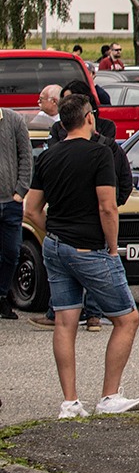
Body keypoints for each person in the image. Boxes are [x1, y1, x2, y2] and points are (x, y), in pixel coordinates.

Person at [24, 95, 139, 419]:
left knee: (65, 321)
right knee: (127, 319)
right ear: (89, 117)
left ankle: (70, 402)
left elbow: (30, 209)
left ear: (62, 123)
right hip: (89, 248)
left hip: (54, 246)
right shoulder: (100, 153)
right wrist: (111, 246)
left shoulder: (48, 157)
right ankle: (109, 396)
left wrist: (54, 230)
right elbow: (107, 205)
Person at [0, 101, 30, 319]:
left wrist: (20, 191)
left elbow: (26, 157)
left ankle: (2, 295)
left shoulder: (14, 121)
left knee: (12, 251)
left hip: (11, 202)